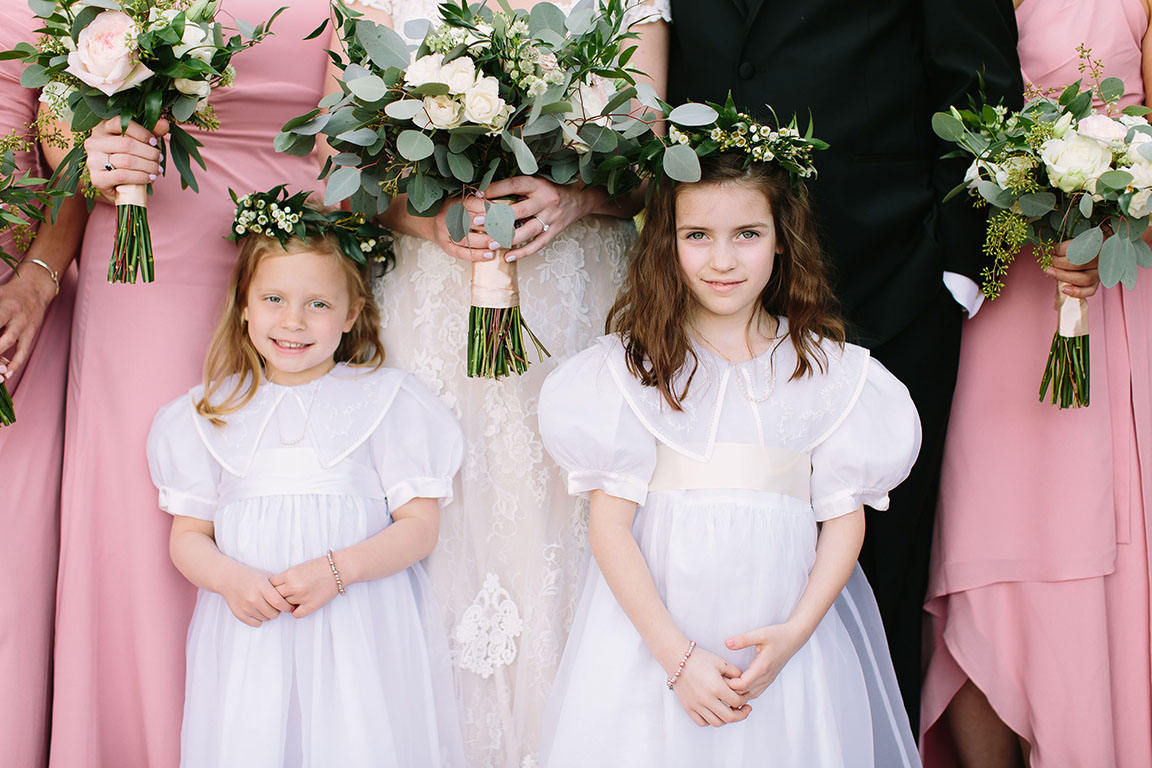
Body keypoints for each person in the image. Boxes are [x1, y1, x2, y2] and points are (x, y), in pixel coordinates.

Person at [664, 0, 1023, 727]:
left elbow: (980, 79)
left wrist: (964, 260)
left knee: (878, 551)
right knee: (711, 538)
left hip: (885, 272)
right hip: (710, 277)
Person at [339, 1, 669, 764]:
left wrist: (578, 198)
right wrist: (434, 220)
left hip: (574, 300)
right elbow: (339, 161)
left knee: (571, 515)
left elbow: (651, 161)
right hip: (429, 304)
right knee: (435, 515)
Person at [536, 121, 922, 767]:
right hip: (656, 641)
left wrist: (796, 633)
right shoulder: (628, 372)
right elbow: (609, 527)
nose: (722, 259)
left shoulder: (834, 373)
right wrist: (677, 658)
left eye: (747, 234)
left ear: (781, 242)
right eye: (697, 237)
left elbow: (843, 520)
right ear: (667, 244)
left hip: (783, 639)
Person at [40, 3, 335, 765]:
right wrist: (92, 150)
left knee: (291, 493)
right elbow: (56, 129)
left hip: (305, 245)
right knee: (147, 514)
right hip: (150, 247)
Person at [146, 195, 466, 767]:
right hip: (253, 631)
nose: (293, 321)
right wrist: (229, 579)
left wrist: (337, 572)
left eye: (318, 303)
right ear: (243, 306)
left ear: (349, 315)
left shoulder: (386, 400)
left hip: (357, 625)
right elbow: (187, 535)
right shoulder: (207, 414)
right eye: (273, 299)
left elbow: (418, 527)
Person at [921, 1, 1152, 765]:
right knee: (978, 553)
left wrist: (1109, 221)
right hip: (998, 286)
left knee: (1085, 540)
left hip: (1101, 288)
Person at [0, 4, 83, 766]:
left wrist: (37, 278)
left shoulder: (33, 16)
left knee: (12, 578)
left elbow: (71, 168)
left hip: (16, 315)